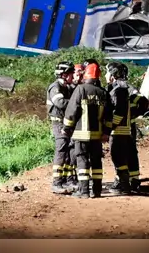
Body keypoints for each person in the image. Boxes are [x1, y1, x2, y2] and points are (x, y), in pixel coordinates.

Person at [62, 62, 112, 199]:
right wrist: (106, 132)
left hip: (81, 135)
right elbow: (109, 115)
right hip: (97, 136)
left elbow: (72, 110)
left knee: (82, 161)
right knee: (96, 162)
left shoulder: (81, 90)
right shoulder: (104, 93)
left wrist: (67, 127)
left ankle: (83, 192)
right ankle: (97, 191)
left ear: (86, 75)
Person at [47, 61, 79, 195]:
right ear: (64, 75)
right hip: (59, 124)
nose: (73, 76)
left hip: (67, 123)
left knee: (69, 152)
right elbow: (60, 102)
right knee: (61, 152)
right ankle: (57, 183)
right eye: (71, 74)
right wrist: (75, 104)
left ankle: (67, 179)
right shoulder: (55, 87)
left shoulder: (68, 87)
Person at [105, 62, 134, 195]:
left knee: (118, 158)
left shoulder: (118, 90)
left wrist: (110, 126)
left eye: (107, 72)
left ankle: (124, 186)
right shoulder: (119, 88)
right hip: (123, 129)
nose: (105, 75)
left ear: (113, 75)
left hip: (118, 131)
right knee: (119, 158)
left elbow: (119, 111)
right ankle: (123, 184)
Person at [127, 83, 149, 193]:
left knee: (126, 153)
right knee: (129, 153)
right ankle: (132, 180)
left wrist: (135, 113)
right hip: (125, 126)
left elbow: (143, 101)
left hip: (126, 127)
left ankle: (132, 180)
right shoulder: (115, 86)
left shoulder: (125, 87)